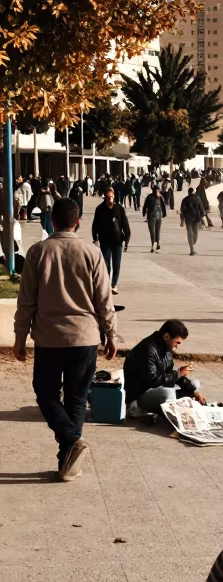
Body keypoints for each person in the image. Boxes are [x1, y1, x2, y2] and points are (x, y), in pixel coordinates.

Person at [12, 197, 116, 481]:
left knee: (45, 393)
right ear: (78, 221)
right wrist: (110, 333)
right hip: (85, 337)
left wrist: (20, 336)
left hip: (49, 338)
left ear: (52, 220)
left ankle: (69, 449)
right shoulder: (92, 253)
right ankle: (69, 452)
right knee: (76, 399)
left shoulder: (37, 252)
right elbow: (104, 300)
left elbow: (26, 301)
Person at [123, 319, 207, 415]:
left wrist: (193, 393)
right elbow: (152, 381)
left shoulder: (166, 349)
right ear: (167, 336)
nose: (177, 346)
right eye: (177, 342)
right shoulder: (147, 349)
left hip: (160, 388)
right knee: (168, 393)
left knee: (194, 384)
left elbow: (172, 373)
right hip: (142, 395)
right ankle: (170, 409)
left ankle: (174, 403)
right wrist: (178, 374)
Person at [91, 185, 131, 294]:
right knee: (106, 264)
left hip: (117, 241)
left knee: (116, 264)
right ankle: (107, 283)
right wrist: (95, 238)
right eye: (108, 197)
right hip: (105, 241)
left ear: (114, 197)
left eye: (111, 197)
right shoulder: (100, 209)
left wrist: (127, 237)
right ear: (105, 197)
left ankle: (114, 284)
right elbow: (95, 225)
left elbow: (125, 224)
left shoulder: (119, 209)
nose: (110, 199)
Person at [179, 187, 205, 256]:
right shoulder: (197, 198)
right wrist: (202, 216)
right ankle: (192, 247)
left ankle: (192, 247)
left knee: (190, 233)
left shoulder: (185, 199)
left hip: (189, 219)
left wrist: (182, 220)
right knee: (195, 233)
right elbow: (201, 208)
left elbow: (182, 210)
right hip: (196, 218)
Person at [142, 185, 167, 252]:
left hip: (151, 216)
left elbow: (145, 206)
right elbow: (163, 206)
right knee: (157, 231)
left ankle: (153, 244)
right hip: (158, 215)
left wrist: (144, 213)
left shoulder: (149, 197)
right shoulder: (160, 197)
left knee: (152, 231)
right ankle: (157, 244)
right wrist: (164, 214)